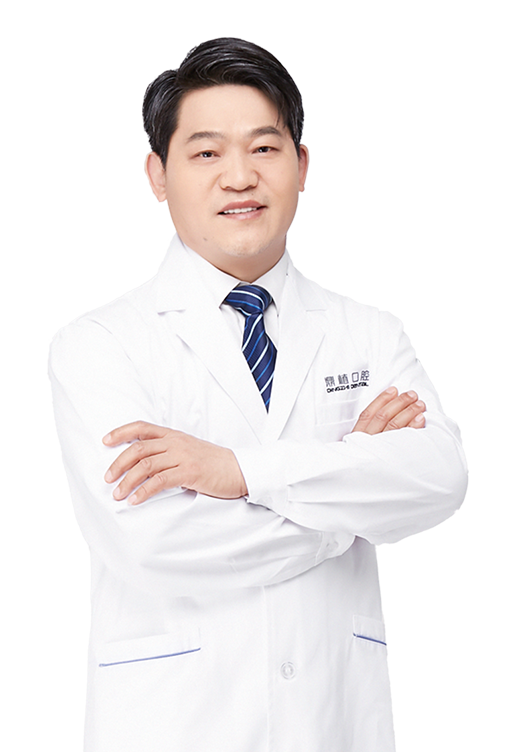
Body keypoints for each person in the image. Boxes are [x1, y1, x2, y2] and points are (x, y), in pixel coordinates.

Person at [51, 37, 467, 752]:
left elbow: (439, 474)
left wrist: (239, 472)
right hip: (178, 723)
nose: (239, 177)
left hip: (334, 719)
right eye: (206, 153)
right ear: (158, 175)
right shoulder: (99, 345)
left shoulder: (369, 333)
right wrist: (352, 501)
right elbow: (156, 544)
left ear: (301, 165)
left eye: (265, 149)